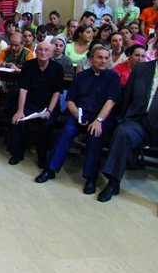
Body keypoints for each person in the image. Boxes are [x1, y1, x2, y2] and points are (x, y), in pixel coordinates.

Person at [35, 46, 121, 195]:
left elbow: (111, 101)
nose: (103, 61)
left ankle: (91, 178)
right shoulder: (81, 76)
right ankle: (50, 169)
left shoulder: (113, 77)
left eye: (106, 58)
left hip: (100, 117)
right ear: (91, 59)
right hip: (79, 114)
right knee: (67, 130)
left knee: (95, 135)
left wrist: (98, 121)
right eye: (99, 57)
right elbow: (70, 101)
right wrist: (77, 116)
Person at [98, 57, 158, 202]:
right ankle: (113, 182)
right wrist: (123, 119)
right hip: (140, 120)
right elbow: (128, 95)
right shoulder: (141, 68)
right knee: (122, 132)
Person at [7, 42, 64, 166]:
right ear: (36, 51)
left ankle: (42, 157)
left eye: (46, 50)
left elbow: (56, 92)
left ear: (51, 53)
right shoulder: (28, 65)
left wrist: (49, 111)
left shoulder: (57, 68)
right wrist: (20, 110)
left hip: (49, 105)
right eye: (40, 50)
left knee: (46, 125)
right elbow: (23, 88)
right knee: (19, 120)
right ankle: (17, 153)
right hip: (30, 102)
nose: (43, 52)